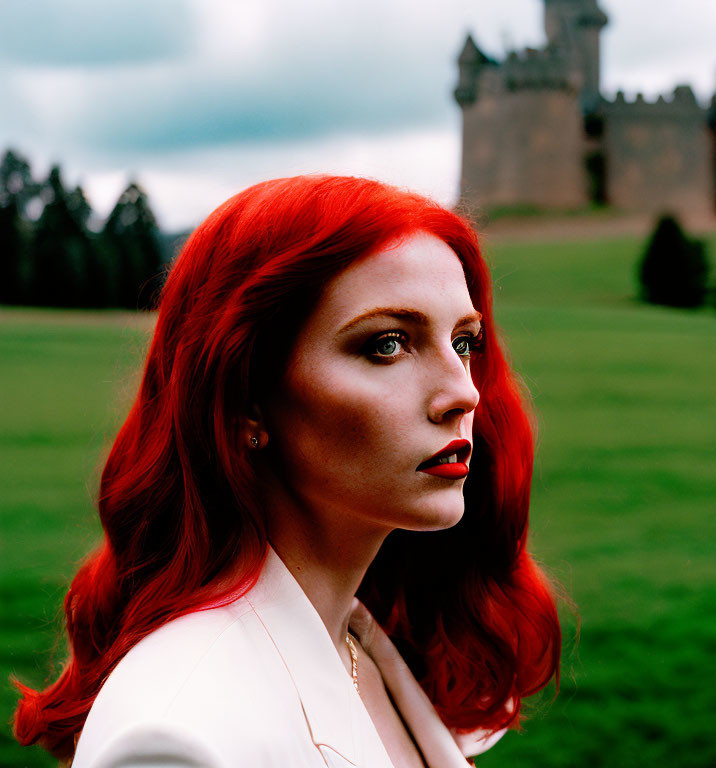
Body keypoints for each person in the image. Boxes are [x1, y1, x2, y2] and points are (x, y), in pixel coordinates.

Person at [13, 175, 561, 767]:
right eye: (387, 345)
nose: (464, 393)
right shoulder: (178, 737)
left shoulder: (373, 646)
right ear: (246, 396)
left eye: (463, 342)